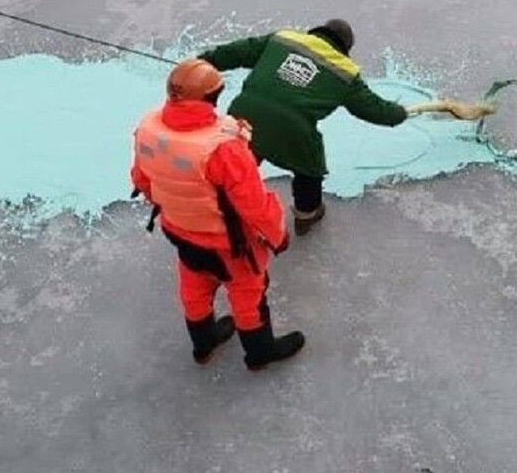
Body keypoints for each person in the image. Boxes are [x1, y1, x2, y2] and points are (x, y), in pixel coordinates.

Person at [130, 59, 304, 370]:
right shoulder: (224, 149)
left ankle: (204, 342)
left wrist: (179, 206)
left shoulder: (147, 129)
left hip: (179, 231)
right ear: (214, 96)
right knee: (247, 293)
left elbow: (142, 179)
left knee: (194, 286)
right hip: (229, 244)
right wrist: (279, 237)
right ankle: (260, 352)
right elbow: (253, 205)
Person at [198, 19, 408, 235]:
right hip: (293, 130)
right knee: (310, 166)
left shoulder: (283, 39)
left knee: (238, 159)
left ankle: (219, 203)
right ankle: (306, 213)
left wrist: (203, 63)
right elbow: (374, 109)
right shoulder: (345, 73)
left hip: (244, 113)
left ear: (316, 32)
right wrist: (400, 113)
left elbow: (237, 51)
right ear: (345, 49)